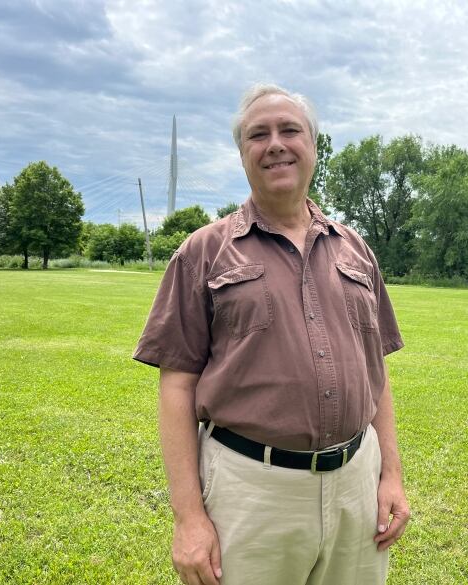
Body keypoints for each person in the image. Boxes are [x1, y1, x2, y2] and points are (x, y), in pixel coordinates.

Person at [133, 84, 409, 585]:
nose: (275, 143)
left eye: (290, 130)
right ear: (242, 155)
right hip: (250, 490)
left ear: (314, 147)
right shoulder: (203, 253)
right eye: (258, 135)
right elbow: (176, 386)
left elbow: (377, 370)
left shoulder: (356, 250)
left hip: (356, 484)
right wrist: (189, 518)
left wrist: (391, 473)